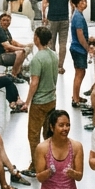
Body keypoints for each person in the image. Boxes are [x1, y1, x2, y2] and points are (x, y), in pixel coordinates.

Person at [23, 26, 59, 175]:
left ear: (37, 38)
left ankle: (35, 166)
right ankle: (50, 161)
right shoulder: (53, 55)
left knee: (33, 135)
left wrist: (27, 102)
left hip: (39, 102)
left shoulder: (37, 59)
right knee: (48, 133)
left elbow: (34, 83)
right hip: (52, 99)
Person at [41, 0, 74, 74]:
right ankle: (60, 66)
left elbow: (44, 4)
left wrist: (43, 16)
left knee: (51, 43)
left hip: (52, 18)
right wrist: (72, 16)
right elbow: (72, 4)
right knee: (63, 43)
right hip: (64, 18)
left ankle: (53, 65)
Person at [0, 13, 31, 79]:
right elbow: (8, 46)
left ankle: (18, 72)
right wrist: (22, 49)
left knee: (22, 52)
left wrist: (25, 46)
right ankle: (14, 75)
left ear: (10, 21)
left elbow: (12, 42)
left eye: (8, 20)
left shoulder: (5, 30)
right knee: (21, 53)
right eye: (4, 20)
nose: (6, 22)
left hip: (3, 54)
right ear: (0, 21)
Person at [69, 0, 90, 107]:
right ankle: (75, 99)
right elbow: (80, 35)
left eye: (85, 1)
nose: (84, 3)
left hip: (79, 48)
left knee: (81, 72)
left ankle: (76, 95)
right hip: (78, 49)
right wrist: (87, 48)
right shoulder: (77, 16)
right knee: (79, 73)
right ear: (76, 4)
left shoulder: (79, 15)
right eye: (81, 1)